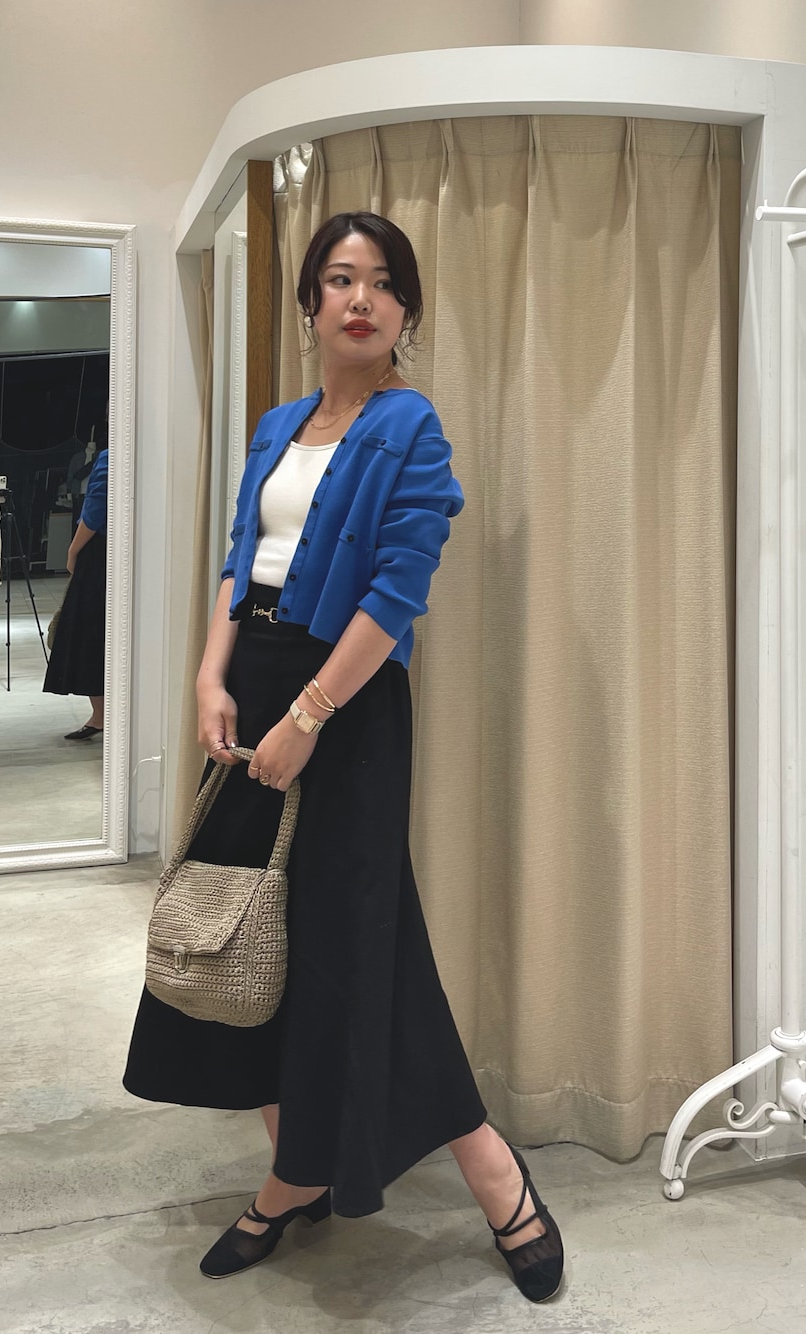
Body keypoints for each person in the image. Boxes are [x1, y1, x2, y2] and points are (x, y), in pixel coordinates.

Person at [123, 212, 564, 1303]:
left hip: (347, 704)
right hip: (254, 686)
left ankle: (490, 1172)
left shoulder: (410, 426)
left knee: (355, 943)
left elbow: (397, 589)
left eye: (380, 282)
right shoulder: (277, 426)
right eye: (336, 279)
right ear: (310, 303)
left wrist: (308, 714)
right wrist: (209, 676)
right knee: (252, 928)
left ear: (405, 309)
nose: (357, 298)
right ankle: (296, 1169)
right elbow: (240, 561)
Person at [42, 443, 107, 739]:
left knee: (89, 634)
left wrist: (72, 551)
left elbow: (94, 511)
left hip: (99, 554)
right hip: (130, 551)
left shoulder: (110, 457)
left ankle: (100, 714)